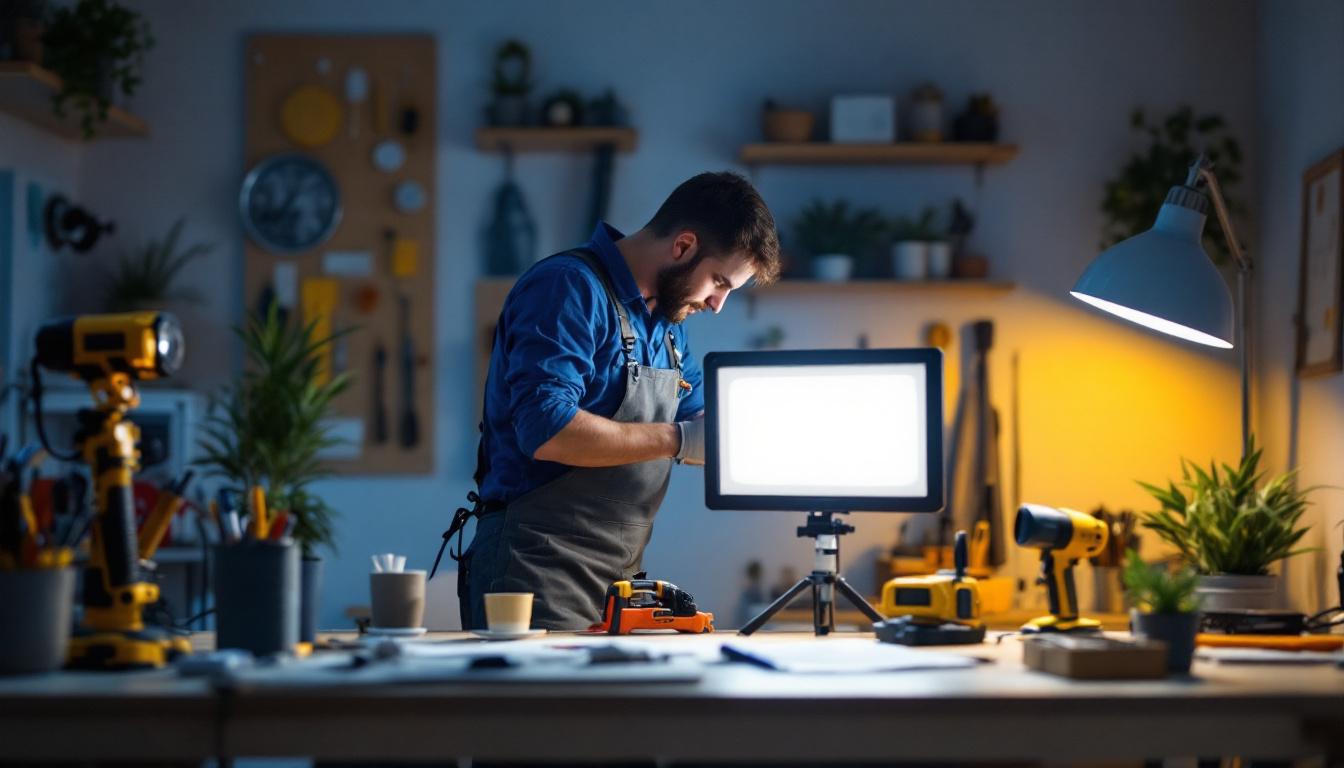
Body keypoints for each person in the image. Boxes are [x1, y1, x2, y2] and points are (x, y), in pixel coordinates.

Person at [439, 171, 781, 631]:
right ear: (682, 246)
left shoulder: (667, 322)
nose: (718, 303)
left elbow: (701, 416)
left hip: (617, 578)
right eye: (719, 282)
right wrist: (677, 439)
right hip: (534, 568)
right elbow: (548, 429)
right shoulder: (567, 289)